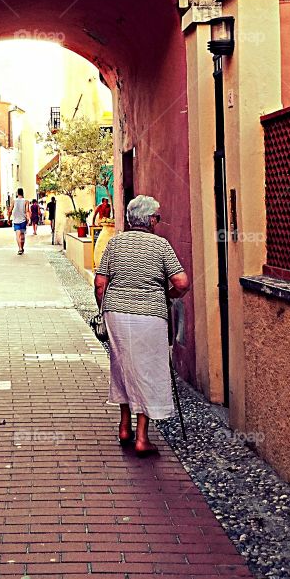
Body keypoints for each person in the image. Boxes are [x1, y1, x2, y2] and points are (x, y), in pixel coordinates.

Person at [93, 195, 189, 456]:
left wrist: (104, 310)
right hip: (150, 315)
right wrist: (166, 295)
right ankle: (142, 438)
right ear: (149, 220)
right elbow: (181, 283)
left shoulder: (115, 243)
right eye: (157, 217)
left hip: (117, 314)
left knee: (122, 365)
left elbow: (100, 284)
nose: (158, 221)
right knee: (147, 369)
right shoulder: (160, 246)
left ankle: (124, 427)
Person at [11, 188, 29, 254]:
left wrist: (9, 218)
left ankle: (20, 248)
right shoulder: (26, 201)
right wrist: (28, 218)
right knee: (22, 235)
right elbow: (27, 211)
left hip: (16, 220)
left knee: (17, 235)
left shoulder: (13, 201)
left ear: (17, 193)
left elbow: (10, 210)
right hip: (23, 220)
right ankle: (22, 247)